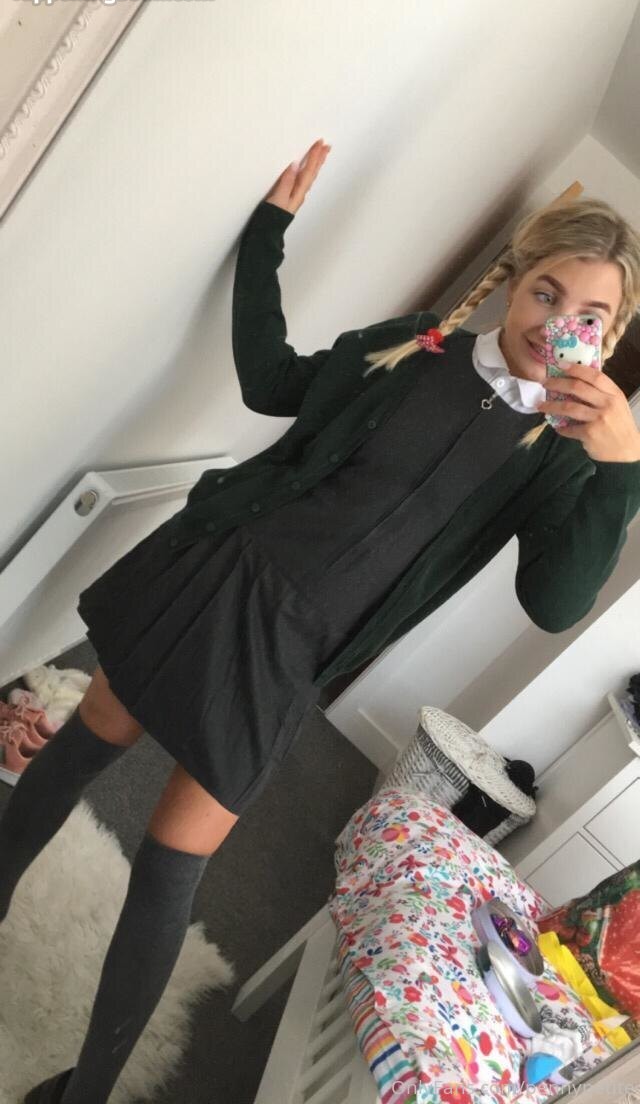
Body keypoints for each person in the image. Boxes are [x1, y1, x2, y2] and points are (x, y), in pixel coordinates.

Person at [3, 138, 640, 1103]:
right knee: (79, 751)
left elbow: (553, 603)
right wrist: (267, 238)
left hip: (290, 654)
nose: (559, 325)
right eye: (547, 293)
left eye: (589, 317)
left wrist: (619, 467)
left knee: (171, 871)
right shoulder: (419, 347)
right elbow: (273, 382)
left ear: (609, 337)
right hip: (214, 571)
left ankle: (84, 1093)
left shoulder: (561, 458)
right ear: (516, 284)